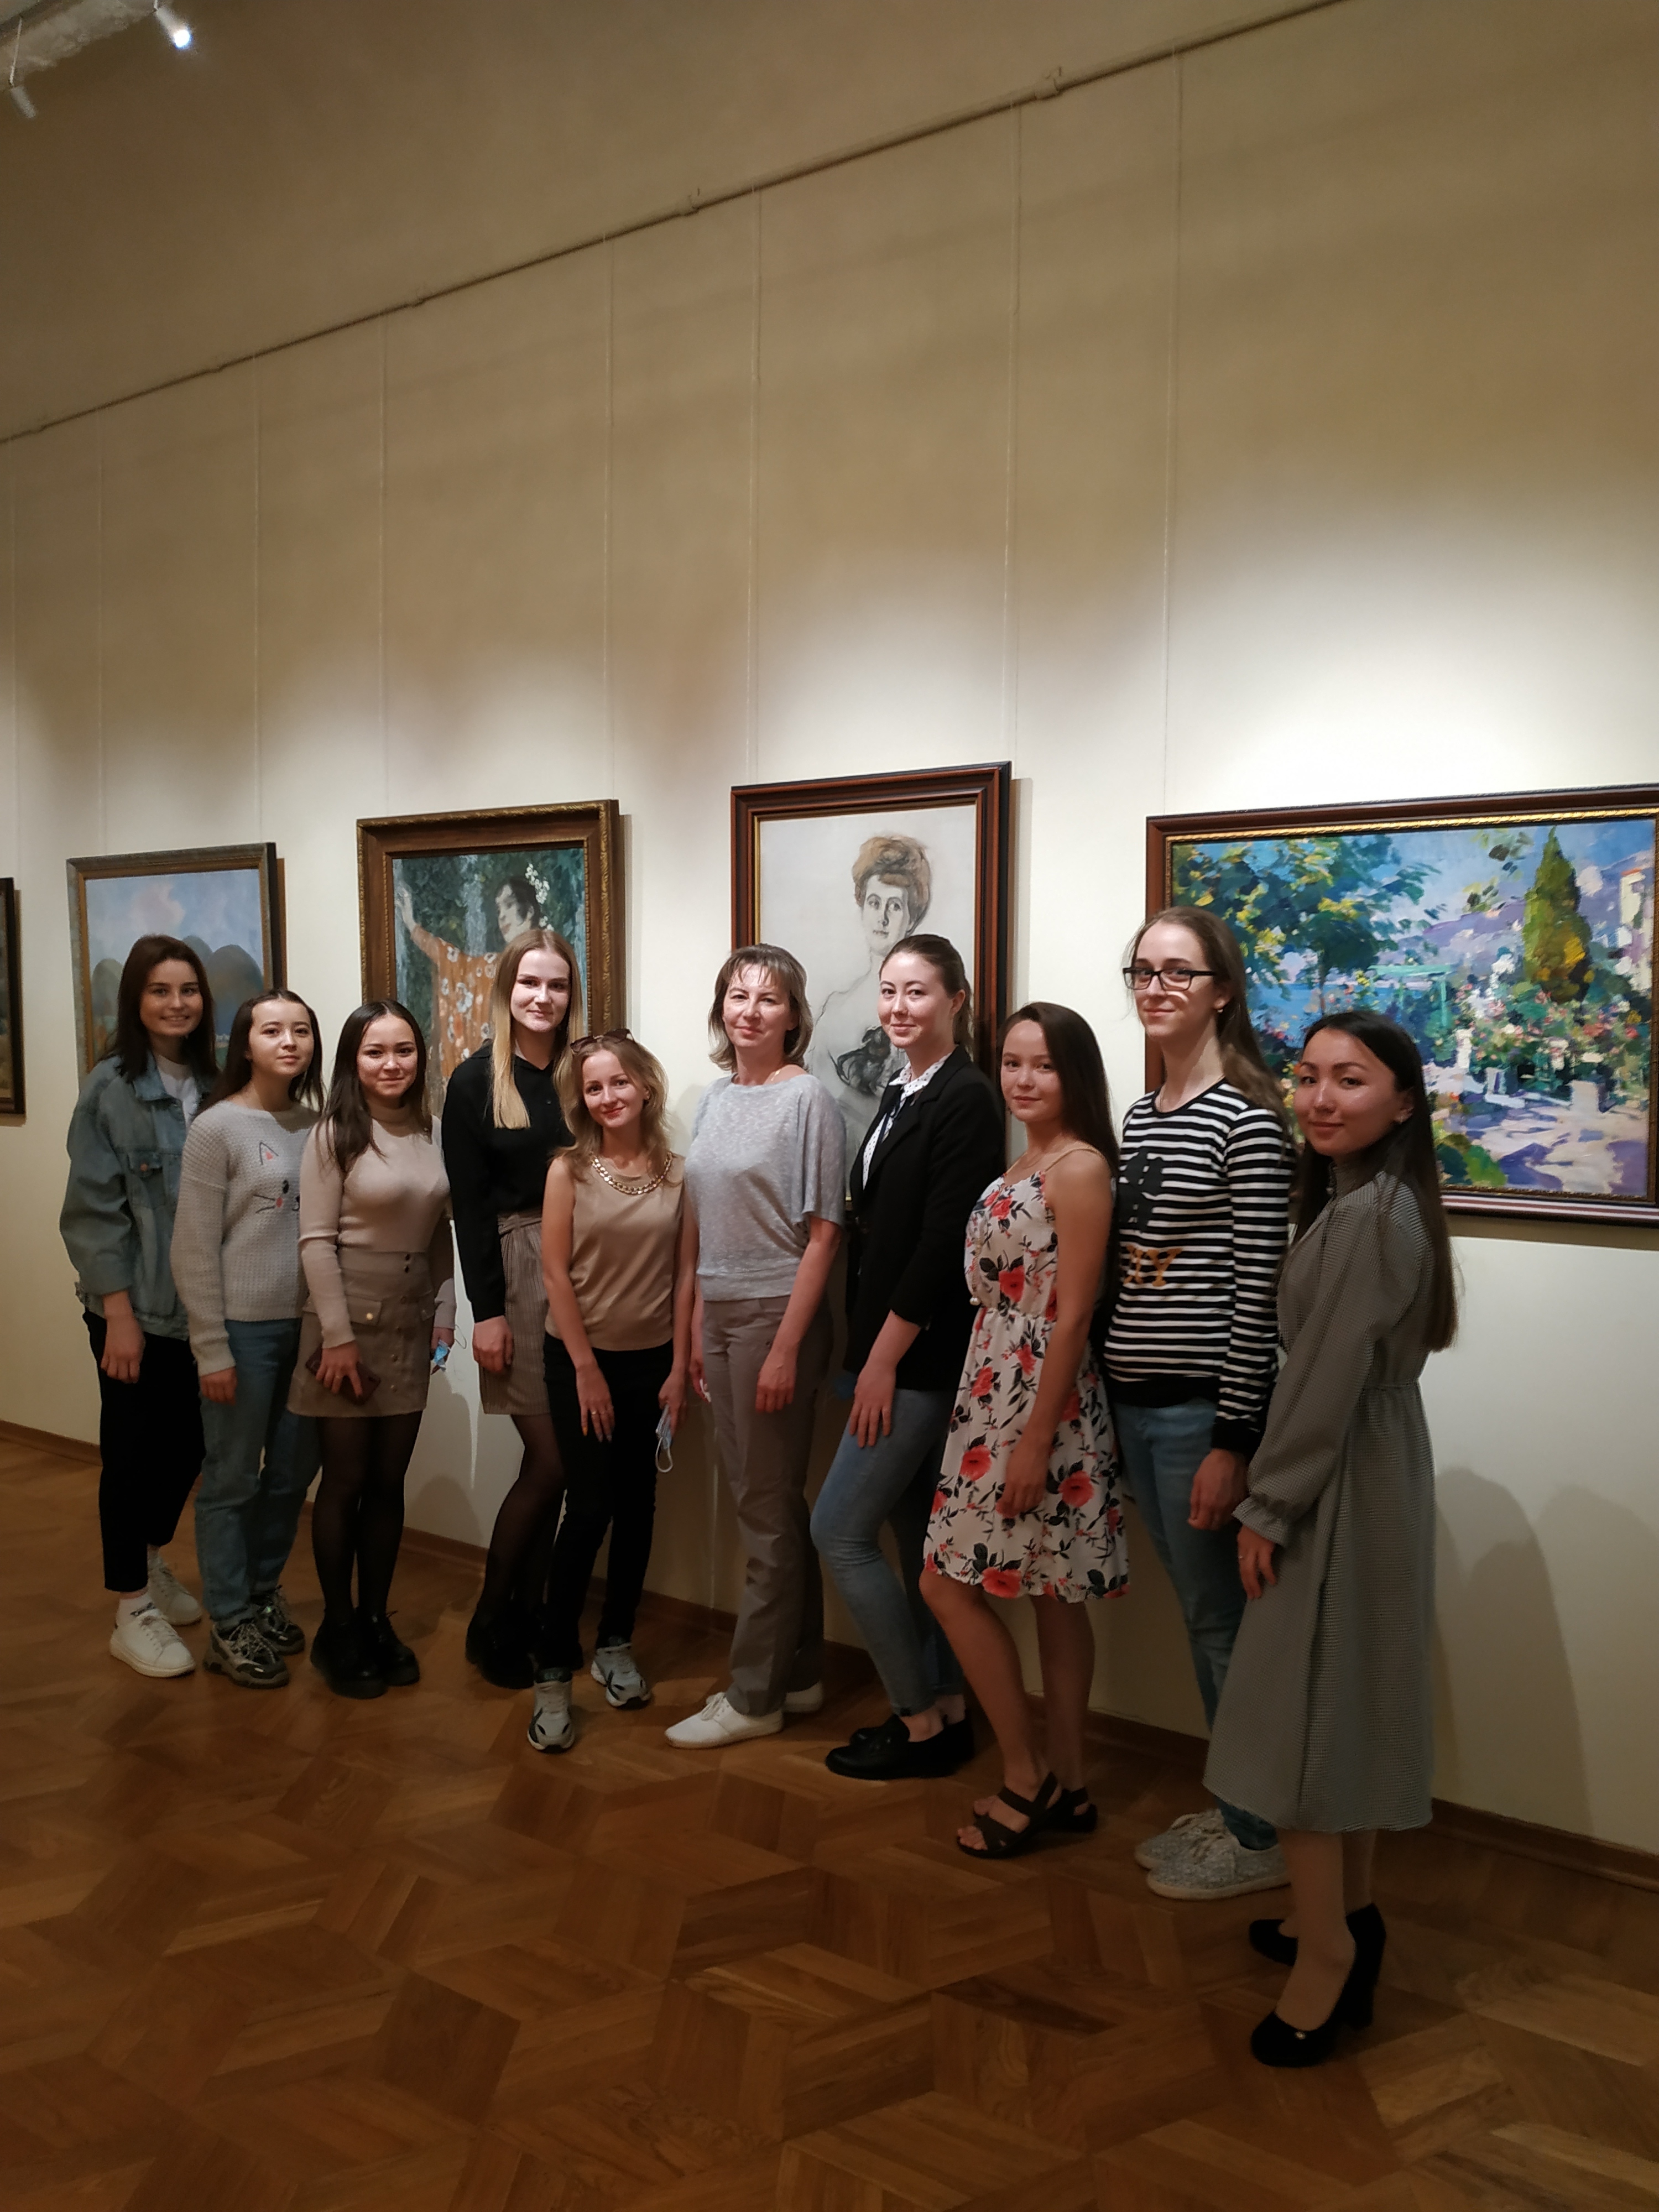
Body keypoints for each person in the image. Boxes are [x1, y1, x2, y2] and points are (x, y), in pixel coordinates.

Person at [1204, 1012, 1455, 2067]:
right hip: (1364, 1465)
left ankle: (1328, 1962)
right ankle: (1346, 1917)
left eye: (1349, 1081)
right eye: (1307, 1076)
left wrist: (1269, 1507)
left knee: (1297, 1731)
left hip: (1337, 1476)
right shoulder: (1367, 1201)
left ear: (1402, 1103)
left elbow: (1318, 1381)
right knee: (1337, 1711)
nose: (1318, 1099)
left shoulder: (1370, 1218)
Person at [1105, 907, 1295, 1902]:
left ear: (1223, 990)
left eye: (1179, 972)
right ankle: (1236, 1808)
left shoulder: (1250, 1120)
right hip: (1134, 1406)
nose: (1156, 987)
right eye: (1143, 970)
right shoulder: (1145, 1114)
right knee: (1198, 1614)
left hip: (1197, 1416)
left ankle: (1260, 1836)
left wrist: (1234, 1439)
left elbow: (1259, 1294)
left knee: (1223, 1624)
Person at [922, 1003, 1126, 1856]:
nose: (1023, 1079)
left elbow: (1074, 1313)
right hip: (994, 1385)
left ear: (1074, 1072)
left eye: (1042, 1064)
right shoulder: (1026, 1162)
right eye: (1011, 1062)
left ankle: (1027, 1776)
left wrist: (1037, 1438)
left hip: (1040, 1400)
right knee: (1046, 1590)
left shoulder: (1078, 1167)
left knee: (956, 1584)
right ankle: (1066, 1786)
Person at [811, 935, 1002, 1780]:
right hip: (884, 1347)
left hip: (917, 1358)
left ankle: (914, 1717)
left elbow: (939, 1248)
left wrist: (882, 1363)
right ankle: (948, 1713)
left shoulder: (966, 1097)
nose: (897, 1006)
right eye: (888, 990)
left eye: (917, 991)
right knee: (916, 1537)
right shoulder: (904, 1086)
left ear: (956, 999)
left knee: (837, 1530)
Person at [668, 946, 846, 1747]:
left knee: (764, 1512)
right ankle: (798, 1672)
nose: (750, 1011)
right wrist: (697, 1326)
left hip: (778, 1314)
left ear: (793, 1015)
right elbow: (702, 1223)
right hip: (721, 1313)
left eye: (768, 999)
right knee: (766, 1501)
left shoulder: (808, 1099)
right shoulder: (715, 1098)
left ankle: (752, 1697)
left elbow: (824, 1236)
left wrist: (785, 1348)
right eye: (737, 996)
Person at [526, 1031, 696, 1752]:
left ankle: (616, 1642)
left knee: (638, 1507)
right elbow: (554, 1274)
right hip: (579, 1361)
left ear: (645, 1086)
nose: (608, 1097)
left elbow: (685, 1277)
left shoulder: (679, 1174)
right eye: (594, 1088)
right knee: (589, 1506)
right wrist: (586, 1367)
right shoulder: (567, 1170)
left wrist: (679, 1370)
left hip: (652, 1362)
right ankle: (552, 1670)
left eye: (619, 1082)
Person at [60, 935, 218, 1677]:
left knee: (190, 1447)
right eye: (160, 990)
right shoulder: (110, 1089)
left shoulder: (217, 1085)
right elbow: (94, 1214)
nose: (176, 1003)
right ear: (136, 1000)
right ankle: (130, 1608)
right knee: (128, 1456)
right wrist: (117, 1317)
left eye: (187, 989)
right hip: (132, 1310)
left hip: (201, 1312)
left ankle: (152, 1557)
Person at [288, 1001, 455, 1698]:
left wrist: (446, 1311)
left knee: (389, 1482)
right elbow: (315, 1242)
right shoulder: (335, 1133)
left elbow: (440, 1228)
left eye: (404, 1050)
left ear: (421, 1056)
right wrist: (337, 1337)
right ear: (352, 1061)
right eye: (375, 1051)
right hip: (346, 1320)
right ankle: (337, 1628)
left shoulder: (432, 1130)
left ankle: (376, 1619)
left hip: (411, 1317)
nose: (392, 1064)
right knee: (346, 1481)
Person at [441, 927, 581, 1688]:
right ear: (506, 990)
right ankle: (491, 1618)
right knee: (550, 1459)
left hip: (585, 1271)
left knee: (563, 1463)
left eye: (557, 985)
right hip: (519, 1271)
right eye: (530, 983)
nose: (542, 998)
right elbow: (468, 1210)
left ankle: (529, 1612)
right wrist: (486, 1313)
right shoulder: (474, 1083)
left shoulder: (583, 1071)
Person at [171, 990, 323, 1688]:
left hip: (309, 1328)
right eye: (273, 1030)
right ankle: (228, 1619)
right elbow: (193, 1247)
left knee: (291, 1474)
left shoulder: (319, 1125)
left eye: (301, 1030)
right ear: (246, 1044)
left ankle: (262, 1592)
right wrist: (211, 1347)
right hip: (242, 1329)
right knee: (232, 1477)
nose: (289, 1042)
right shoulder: (218, 1127)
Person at [808, 834, 931, 1151]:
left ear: (912, 918)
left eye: (895, 906)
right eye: (875, 903)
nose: (882, 918)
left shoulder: (925, 1013)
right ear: (862, 906)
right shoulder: (835, 1012)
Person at [397, 872, 549, 1082]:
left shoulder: (553, 963)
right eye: (499, 909)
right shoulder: (491, 968)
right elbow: (452, 962)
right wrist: (412, 924)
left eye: (509, 905)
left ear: (530, 911)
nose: (502, 916)